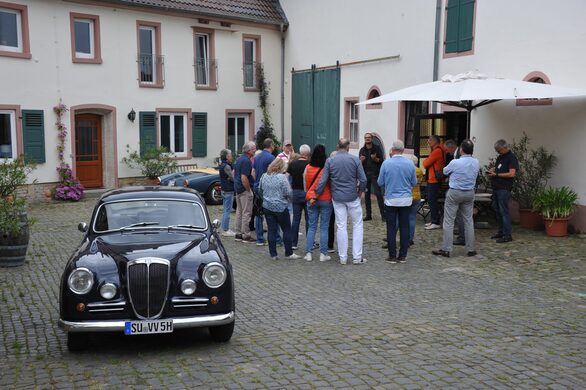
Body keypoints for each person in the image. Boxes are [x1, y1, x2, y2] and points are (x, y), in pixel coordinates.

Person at [314, 138, 367, 265]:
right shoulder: (355, 160)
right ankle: (356, 256)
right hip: (352, 196)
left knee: (341, 226)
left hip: (337, 197)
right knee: (357, 225)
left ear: (338, 146)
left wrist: (316, 193)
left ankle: (343, 257)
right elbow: (363, 179)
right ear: (348, 147)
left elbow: (323, 180)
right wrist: (360, 192)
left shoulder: (330, 160)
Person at [432, 139, 480, 257]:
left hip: (455, 192)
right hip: (469, 192)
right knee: (468, 220)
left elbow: (444, 171)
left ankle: (446, 249)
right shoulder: (476, 162)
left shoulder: (455, 162)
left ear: (461, 150)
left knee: (449, 221)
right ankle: (471, 249)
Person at [378, 141, 417, 263]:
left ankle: (392, 255)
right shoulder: (410, 164)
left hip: (391, 199)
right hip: (405, 200)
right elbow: (414, 182)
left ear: (392, 149)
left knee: (391, 228)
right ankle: (403, 255)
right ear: (403, 149)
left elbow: (380, 182)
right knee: (404, 227)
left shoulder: (386, 163)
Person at [259, 158, 300, 260]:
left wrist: (265, 198)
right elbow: (288, 192)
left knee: (271, 230)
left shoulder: (264, 176)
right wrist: (290, 200)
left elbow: (259, 189)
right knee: (286, 230)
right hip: (280, 207)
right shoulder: (282, 178)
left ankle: (273, 254)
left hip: (267, 206)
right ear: (281, 167)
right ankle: (289, 253)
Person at [303, 144, 332, 262]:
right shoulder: (326, 167)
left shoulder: (308, 167)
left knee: (312, 226)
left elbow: (306, 184)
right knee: (324, 227)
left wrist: (310, 196)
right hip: (325, 198)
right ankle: (323, 254)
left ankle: (309, 253)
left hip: (311, 199)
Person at [487, 139, 519, 243]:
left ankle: (507, 234)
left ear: (505, 147)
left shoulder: (512, 158)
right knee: (497, 211)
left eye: (499, 150)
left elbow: (512, 174)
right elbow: (499, 168)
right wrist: (493, 170)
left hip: (504, 188)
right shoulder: (500, 157)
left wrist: (497, 175)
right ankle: (500, 231)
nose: (498, 152)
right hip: (496, 187)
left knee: (503, 211)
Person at [287, 144, 310, 249]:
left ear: (300, 153)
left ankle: (293, 243)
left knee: (296, 219)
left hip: (295, 192)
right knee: (309, 219)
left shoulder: (292, 164)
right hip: (307, 192)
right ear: (307, 154)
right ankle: (310, 242)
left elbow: (287, 177)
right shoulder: (309, 164)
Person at [253, 138, 276, 246]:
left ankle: (259, 239)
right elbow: (273, 173)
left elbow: (253, 172)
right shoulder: (271, 158)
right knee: (271, 213)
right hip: (267, 188)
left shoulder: (256, 157)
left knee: (258, 213)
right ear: (271, 146)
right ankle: (275, 238)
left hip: (257, 186)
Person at [233, 142, 256, 243]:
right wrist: (249, 190)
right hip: (244, 189)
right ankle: (246, 235)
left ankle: (238, 234)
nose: (255, 150)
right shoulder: (247, 161)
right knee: (246, 213)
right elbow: (244, 177)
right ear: (249, 151)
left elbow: (234, 173)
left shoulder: (239, 159)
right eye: (253, 149)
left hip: (238, 188)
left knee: (239, 212)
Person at [359, 133, 385, 221]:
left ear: (372, 139)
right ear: (364, 139)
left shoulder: (377, 148)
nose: (367, 139)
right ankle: (368, 215)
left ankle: (383, 215)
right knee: (366, 195)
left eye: (369, 138)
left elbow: (381, 160)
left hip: (375, 174)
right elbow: (359, 164)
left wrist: (375, 159)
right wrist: (361, 161)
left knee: (378, 194)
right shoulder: (362, 150)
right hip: (365, 175)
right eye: (366, 138)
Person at [423, 135, 446, 230]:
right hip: (434, 179)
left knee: (432, 201)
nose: (428, 142)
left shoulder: (437, 151)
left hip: (434, 179)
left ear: (436, 141)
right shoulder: (439, 150)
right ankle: (433, 220)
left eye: (430, 140)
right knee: (432, 200)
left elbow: (425, 164)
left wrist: (426, 160)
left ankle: (435, 222)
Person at [407, 154, 424, 246]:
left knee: (405, 217)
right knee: (412, 217)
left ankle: (405, 237)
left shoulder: (408, 170)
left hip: (408, 196)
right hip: (417, 196)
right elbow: (420, 182)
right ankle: (411, 238)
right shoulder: (420, 171)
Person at [218, 148, 235, 237]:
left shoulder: (222, 165)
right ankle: (225, 230)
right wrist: (232, 177)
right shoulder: (227, 166)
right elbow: (232, 178)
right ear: (227, 156)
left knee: (225, 210)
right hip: (228, 190)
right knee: (227, 211)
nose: (231, 156)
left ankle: (224, 228)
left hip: (224, 189)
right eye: (230, 155)